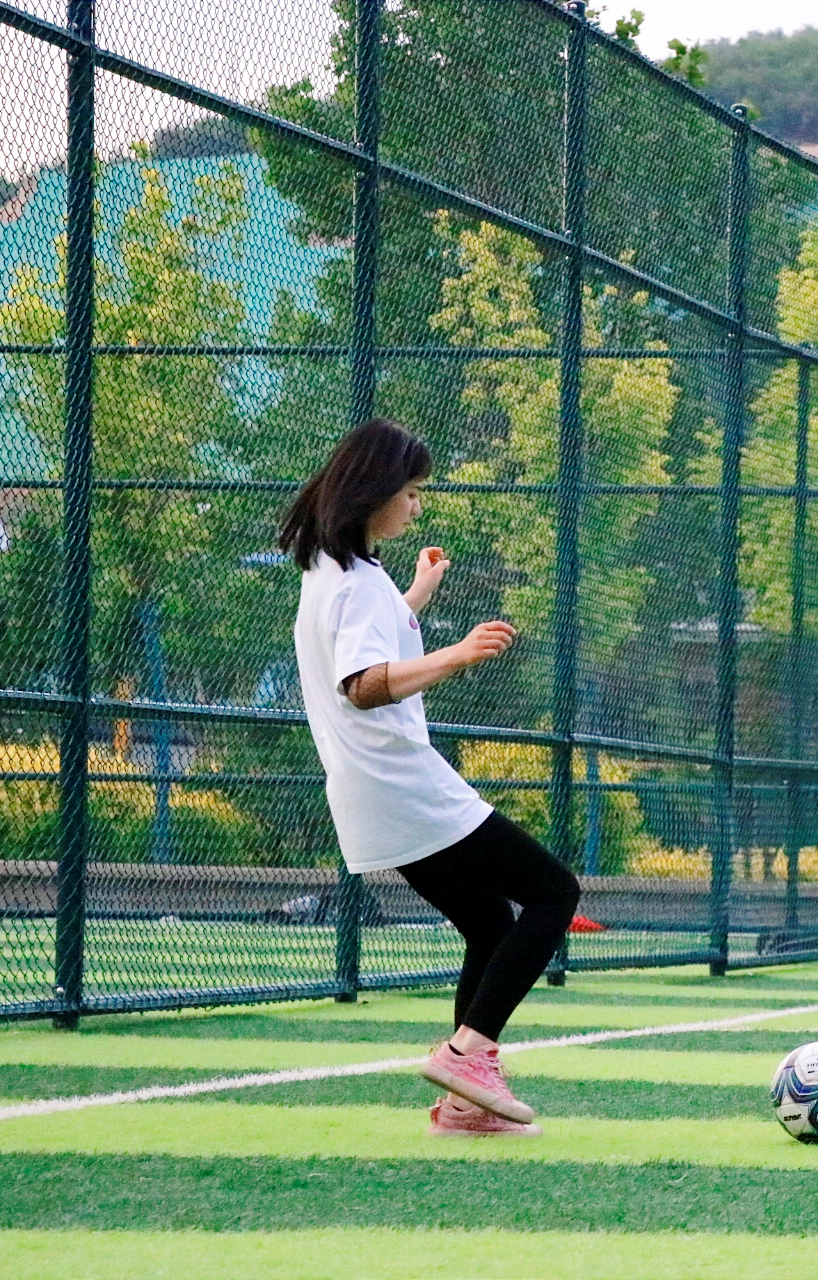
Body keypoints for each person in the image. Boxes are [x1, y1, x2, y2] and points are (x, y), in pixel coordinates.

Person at [282, 418, 580, 1139]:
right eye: (412, 492)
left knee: (487, 922)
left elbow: (367, 644)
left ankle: (464, 1102)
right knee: (553, 893)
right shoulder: (352, 584)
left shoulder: (339, 574)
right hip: (402, 783)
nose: (418, 506)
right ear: (376, 491)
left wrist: (415, 596)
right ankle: (468, 1057)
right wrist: (459, 654)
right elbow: (361, 682)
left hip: (370, 792)